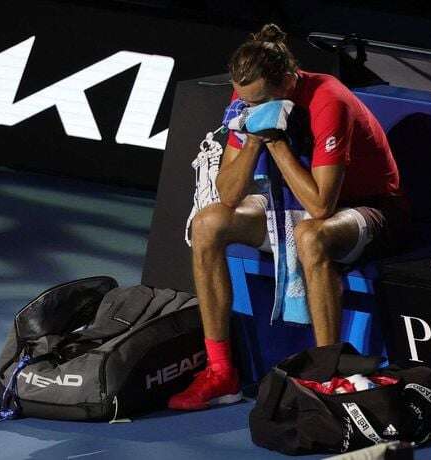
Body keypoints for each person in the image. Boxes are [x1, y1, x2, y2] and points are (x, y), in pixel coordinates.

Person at [168, 23, 409, 410]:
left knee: (311, 235)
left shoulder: (329, 99)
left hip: (371, 208)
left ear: (286, 81)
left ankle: (328, 374)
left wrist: (276, 144)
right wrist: (251, 138)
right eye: (244, 102)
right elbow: (229, 193)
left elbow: (320, 207)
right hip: (289, 202)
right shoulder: (252, 97)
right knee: (208, 223)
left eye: (258, 101)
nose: (249, 107)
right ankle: (221, 373)